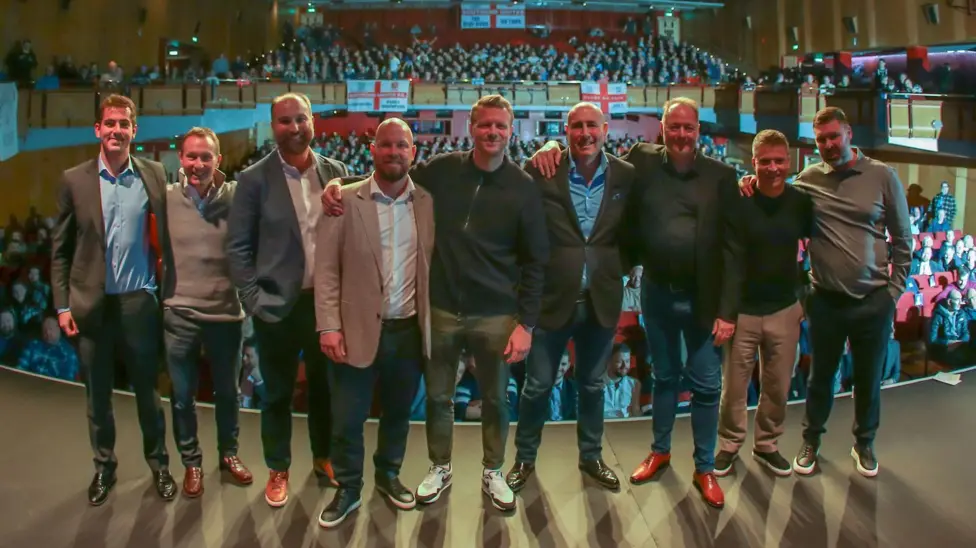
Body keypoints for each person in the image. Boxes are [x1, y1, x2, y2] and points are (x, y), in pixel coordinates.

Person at [321, 95, 550, 512]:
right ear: (471, 127)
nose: (492, 132)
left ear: (511, 131)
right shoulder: (441, 170)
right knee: (439, 397)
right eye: (485, 125)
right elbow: (391, 171)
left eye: (500, 126)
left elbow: (537, 261)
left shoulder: (523, 188)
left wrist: (526, 324)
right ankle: (440, 466)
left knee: (497, 399)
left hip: (497, 313)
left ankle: (493, 470)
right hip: (441, 309)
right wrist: (343, 183)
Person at [530, 97, 739, 509]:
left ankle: (704, 467)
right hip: (657, 293)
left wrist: (727, 312)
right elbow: (594, 155)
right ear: (662, 129)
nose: (681, 135)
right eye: (673, 127)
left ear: (699, 131)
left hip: (703, 299)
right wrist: (548, 148)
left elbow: (733, 249)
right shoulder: (641, 161)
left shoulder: (721, 176)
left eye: (688, 128)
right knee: (663, 377)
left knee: (706, 385)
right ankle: (660, 452)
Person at [740, 106, 911, 478]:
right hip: (826, 300)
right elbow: (773, 185)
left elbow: (903, 239)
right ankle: (811, 441)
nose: (829, 145)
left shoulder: (883, 176)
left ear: (848, 133)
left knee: (868, 379)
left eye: (834, 136)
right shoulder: (808, 178)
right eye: (821, 140)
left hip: (873, 300)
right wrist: (746, 179)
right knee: (820, 379)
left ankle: (864, 443)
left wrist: (892, 295)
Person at [51, 93, 175, 505]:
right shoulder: (74, 180)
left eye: (125, 124)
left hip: (139, 304)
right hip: (92, 306)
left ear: (134, 131)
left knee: (148, 394)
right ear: (98, 130)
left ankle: (159, 465)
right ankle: (104, 468)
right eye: (111, 123)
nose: (117, 130)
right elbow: (61, 250)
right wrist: (63, 305)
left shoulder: (154, 174)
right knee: (97, 396)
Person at [226, 92, 348, 507]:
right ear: (273, 125)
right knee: (276, 393)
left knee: (325, 389)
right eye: (285, 121)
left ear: (313, 121)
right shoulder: (253, 180)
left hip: (325, 305)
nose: (294, 128)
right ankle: (278, 468)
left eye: (301, 119)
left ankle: (324, 457)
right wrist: (252, 299)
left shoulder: (336, 172)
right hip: (276, 305)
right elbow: (239, 247)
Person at [507, 102, 636, 494]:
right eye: (577, 126)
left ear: (606, 128)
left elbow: (633, 232)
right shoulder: (542, 169)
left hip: (601, 299)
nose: (585, 133)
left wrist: (614, 267)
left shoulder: (626, 175)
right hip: (551, 300)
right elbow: (522, 232)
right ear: (565, 130)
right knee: (538, 386)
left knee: (593, 385)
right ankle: (524, 459)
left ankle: (591, 456)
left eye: (592, 125)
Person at [313, 119, 434, 527]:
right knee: (348, 417)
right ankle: (348, 487)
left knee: (398, 414)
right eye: (386, 145)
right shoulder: (343, 200)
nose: (394, 152)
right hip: (354, 330)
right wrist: (328, 326)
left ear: (413, 152)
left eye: (402, 146)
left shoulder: (429, 202)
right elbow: (327, 269)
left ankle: (388, 475)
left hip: (408, 330)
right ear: (372, 150)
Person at [715, 130, 812, 478]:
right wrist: (725, 312)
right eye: (765, 161)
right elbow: (728, 259)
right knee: (735, 386)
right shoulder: (738, 200)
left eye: (779, 161)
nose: (773, 167)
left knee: (777, 385)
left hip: (785, 308)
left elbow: (817, 246)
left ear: (789, 162)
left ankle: (767, 444)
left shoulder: (801, 202)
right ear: (753, 163)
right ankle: (729, 443)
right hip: (742, 311)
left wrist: (805, 299)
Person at [162, 127, 252, 498]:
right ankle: (191, 463)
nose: (198, 164)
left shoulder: (239, 198)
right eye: (191, 156)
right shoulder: (165, 198)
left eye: (206, 156)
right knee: (182, 397)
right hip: (179, 313)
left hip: (226, 315)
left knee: (228, 393)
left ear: (219, 159)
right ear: (181, 159)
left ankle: (229, 455)